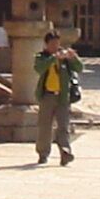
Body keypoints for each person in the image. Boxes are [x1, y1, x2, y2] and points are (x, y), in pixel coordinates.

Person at [32, 30, 80, 166]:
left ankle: (65, 152)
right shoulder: (42, 57)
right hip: (47, 95)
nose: (55, 46)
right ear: (46, 44)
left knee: (63, 126)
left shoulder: (64, 57)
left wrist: (73, 58)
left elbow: (79, 68)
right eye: (52, 43)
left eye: (57, 43)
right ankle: (43, 153)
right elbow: (39, 68)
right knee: (44, 126)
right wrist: (54, 58)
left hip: (63, 96)